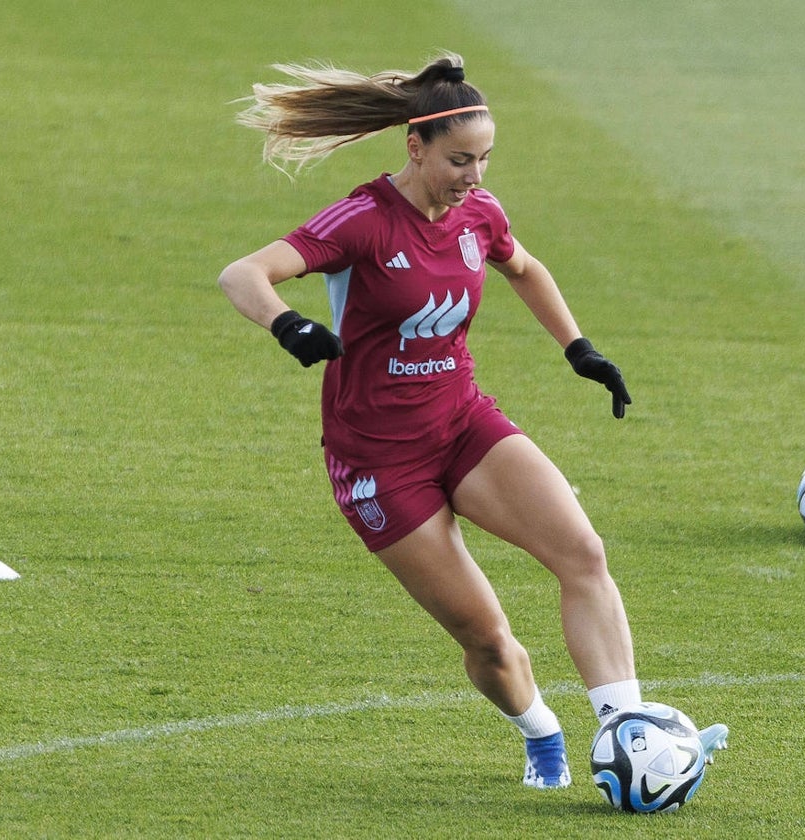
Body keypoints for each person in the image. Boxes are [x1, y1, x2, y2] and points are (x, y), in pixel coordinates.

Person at [218, 52, 725, 790]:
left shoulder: (478, 214)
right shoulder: (362, 220)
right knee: (488, 641)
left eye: (485, 159)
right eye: (460, 160)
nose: (475, 177)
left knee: (582, 553)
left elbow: (523, 267)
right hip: (379, 464)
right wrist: (287, 326)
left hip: (463, 425)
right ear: (415, 147)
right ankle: (541, 732)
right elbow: (243, 273)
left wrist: (579, 349)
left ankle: (629, 731)